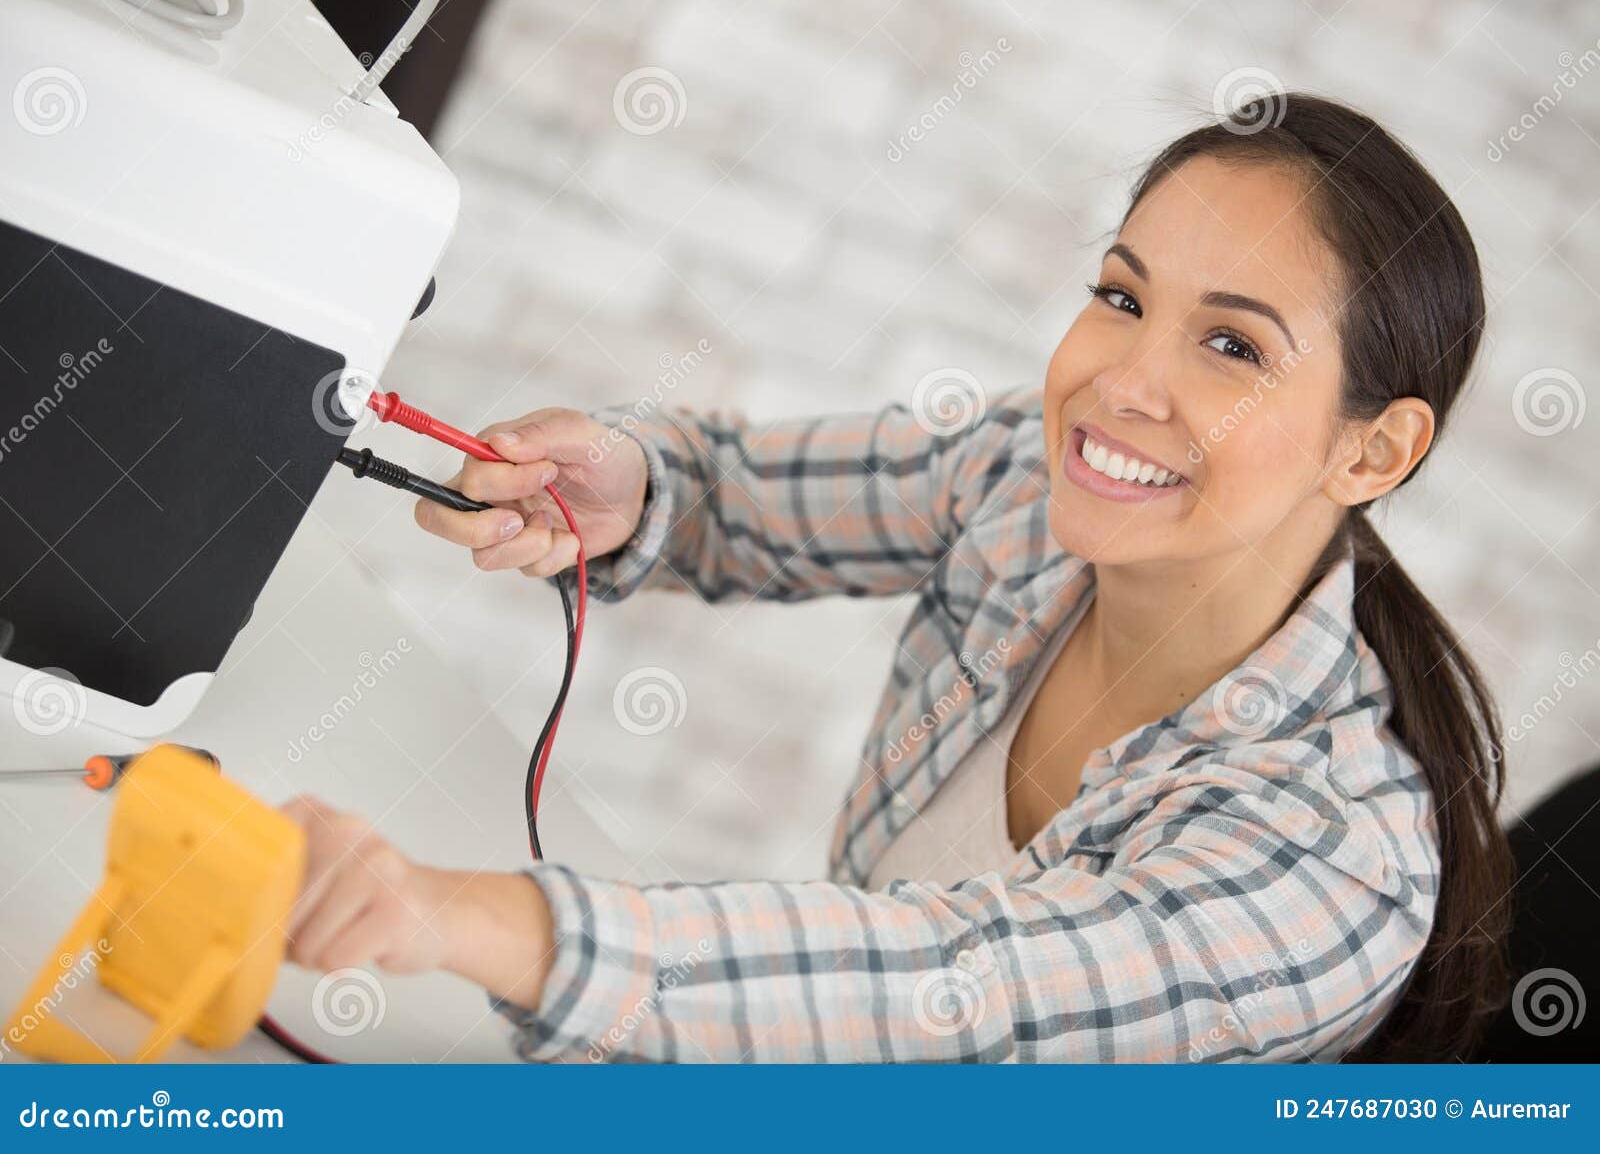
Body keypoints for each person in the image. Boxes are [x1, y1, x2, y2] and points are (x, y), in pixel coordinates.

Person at [280, 92, 1513, 1062]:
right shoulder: (1027, 490)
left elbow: (948, 995)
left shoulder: (1332, 858)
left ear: (1375, 448)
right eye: (1119, 296)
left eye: (1232, 344)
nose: (1122, 382)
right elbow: (735, 497)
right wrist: (632, 488)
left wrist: (456, 915)